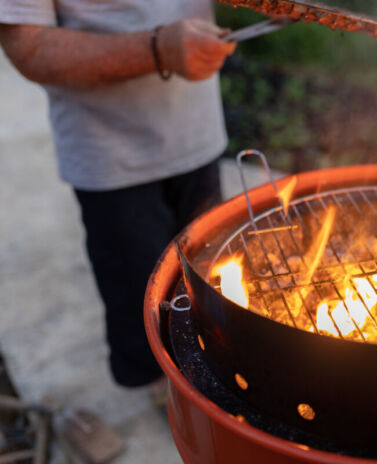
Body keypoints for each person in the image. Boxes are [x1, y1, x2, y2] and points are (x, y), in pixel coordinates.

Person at [0, 1, 236, 388]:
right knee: (142, 308)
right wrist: (157, 50)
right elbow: (30, 47)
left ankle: (211, 374)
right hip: (111, 155)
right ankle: (164, 391)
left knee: (210, 285)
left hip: (199, 131)